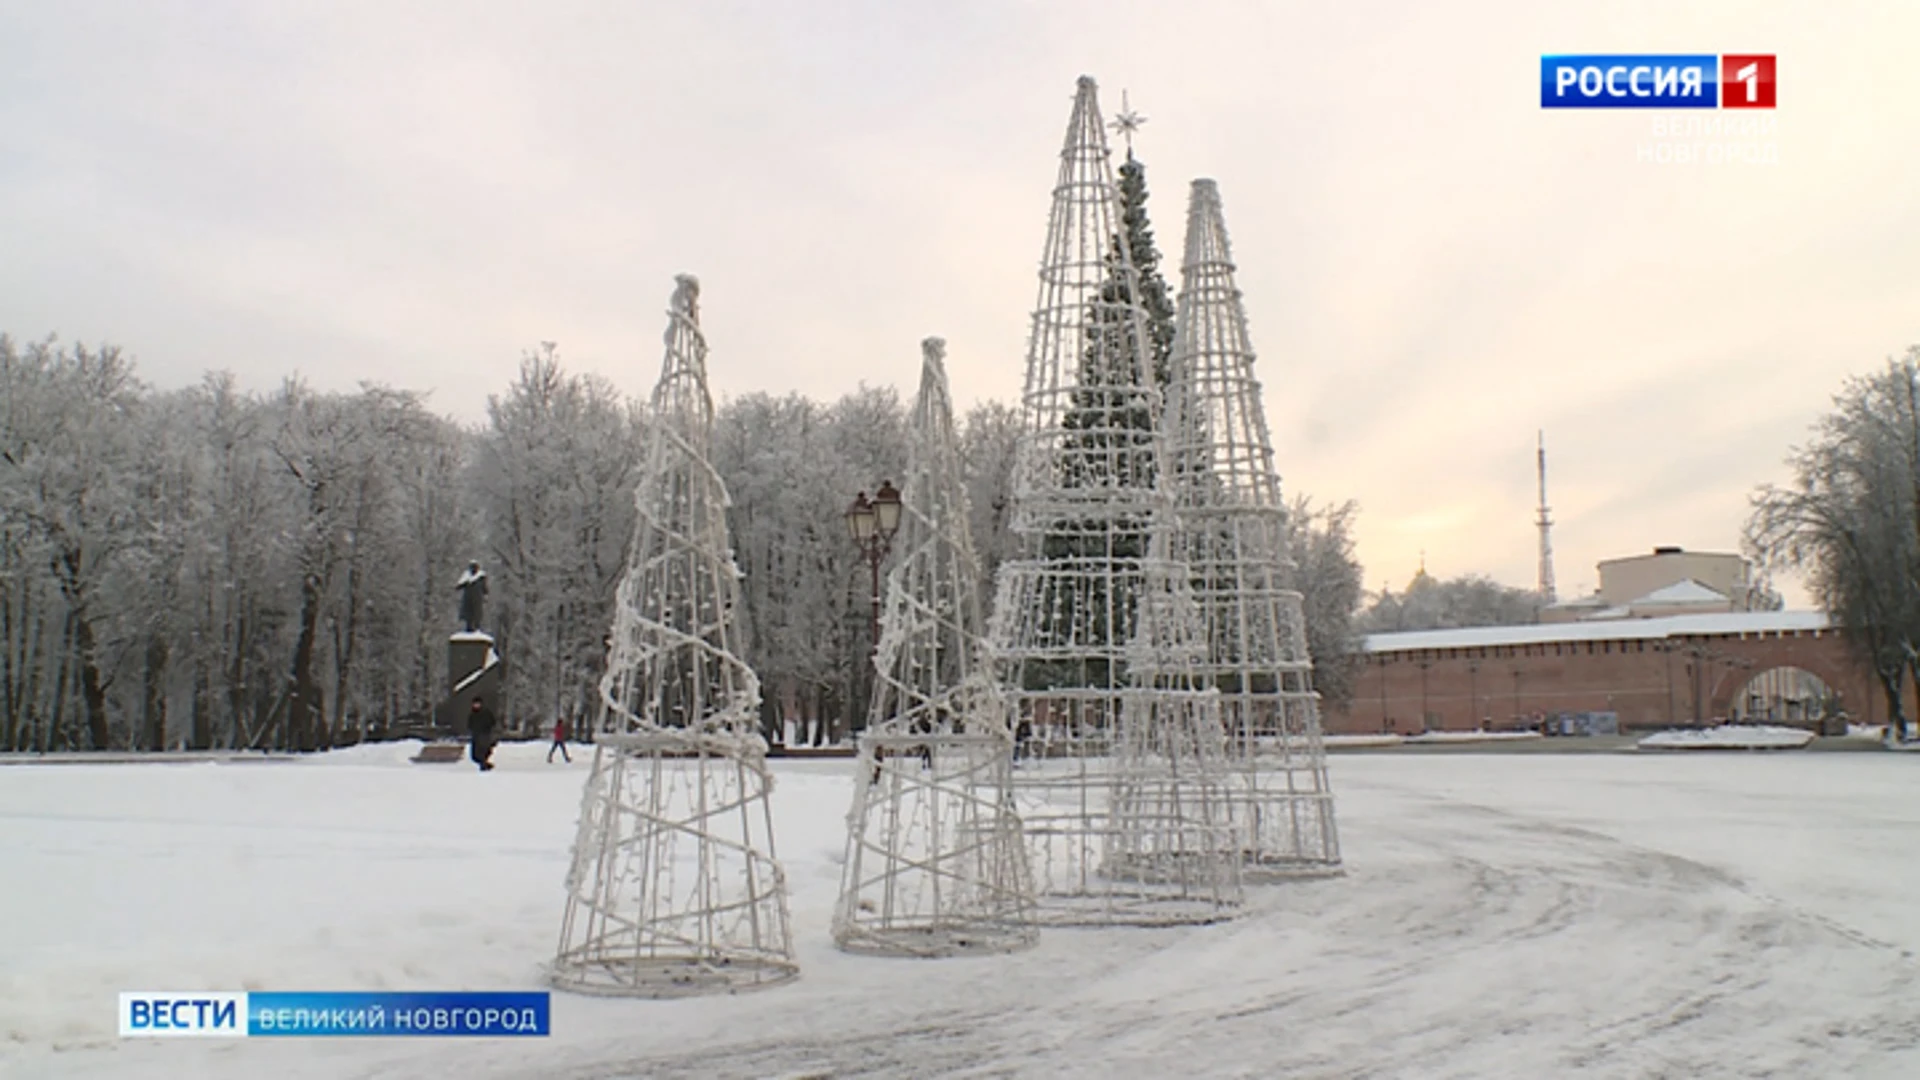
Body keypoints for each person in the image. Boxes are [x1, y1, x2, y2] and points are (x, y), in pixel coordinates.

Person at [468, 697, 497, 772]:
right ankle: (485, 765)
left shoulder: (486, 713)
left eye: (477, 703)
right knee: (474, 756)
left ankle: (484, 766)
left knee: (483, 752)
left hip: (485, 736)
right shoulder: (472, 714)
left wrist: (489, 732)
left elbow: (492, 723)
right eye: (475, 704)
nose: (476, 705)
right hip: (476, 736)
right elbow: (470, 724)